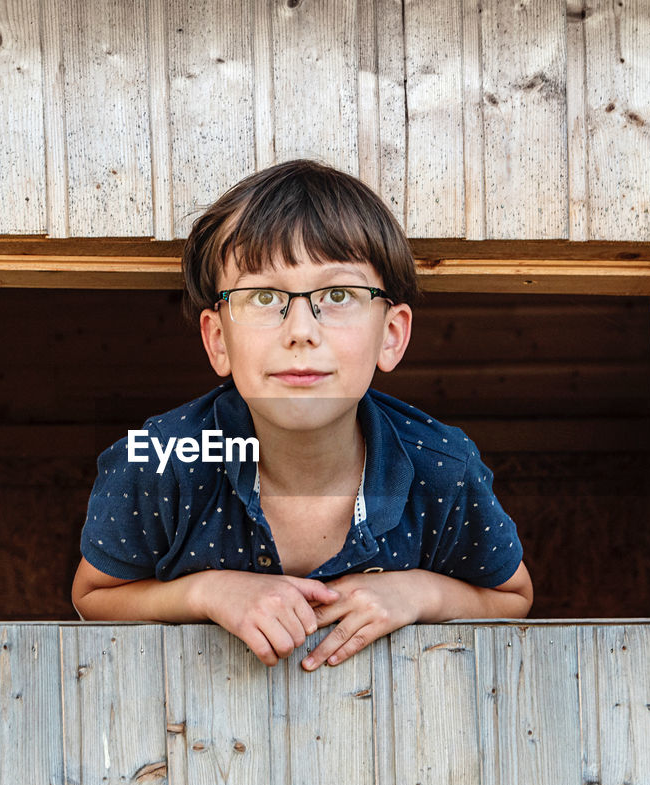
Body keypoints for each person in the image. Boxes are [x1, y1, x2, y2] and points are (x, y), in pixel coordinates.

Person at [71, 159, 532, 669]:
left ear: (391, 335)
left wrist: (419, 593)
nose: (301, 330)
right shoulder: (161, 459)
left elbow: (511, 599)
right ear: (218, 339)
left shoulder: (441, 466)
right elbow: (94, 597)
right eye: (264, 296)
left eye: (337, 295)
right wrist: (207, 592)